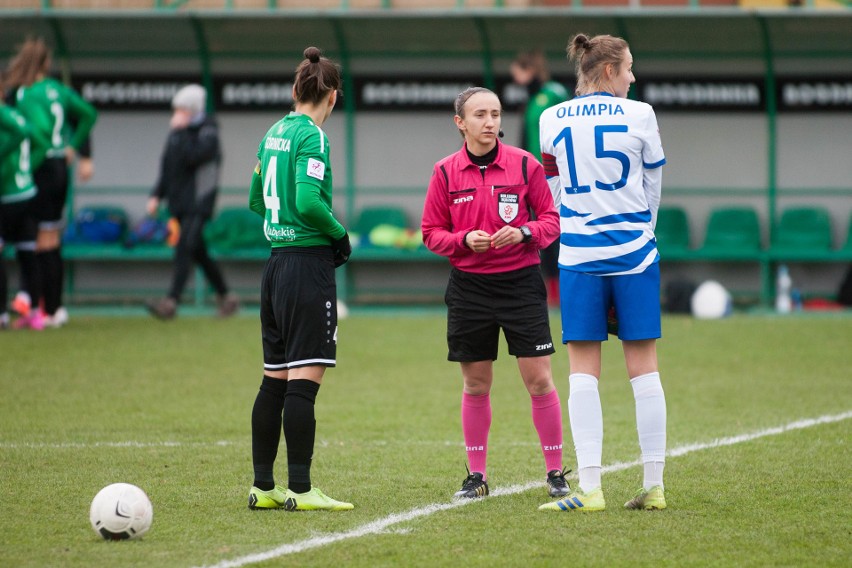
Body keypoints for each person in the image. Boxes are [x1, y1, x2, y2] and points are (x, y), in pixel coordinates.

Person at [537, 33, 668, 512]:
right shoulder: (641, 114)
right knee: (644, 369)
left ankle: (590, 489)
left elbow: (552, 184)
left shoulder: (550, 118)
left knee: (582, 372)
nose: (633, 76)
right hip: (635, 252)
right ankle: (653, 486)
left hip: (578, 256)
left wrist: (575, 222)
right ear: (609, 70)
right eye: (629, 67)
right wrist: (642, 231)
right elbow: (652, 182)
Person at [421, 86, 568, 501]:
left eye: (496, 114)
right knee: (475, 384)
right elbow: (431, 233)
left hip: (520, 283)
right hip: (469, 289)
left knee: (539, 380)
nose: (490, 123)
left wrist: (523, 232)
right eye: (481, 115)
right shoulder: (445, 172)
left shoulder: (525, 165)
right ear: (460, 123)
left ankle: (555, 472)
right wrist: (464, 239)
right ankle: (477, 476)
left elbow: (552, 221)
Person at [246, 46, 353, 512]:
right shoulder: (313, 137)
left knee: (274, 379)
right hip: (306, 268)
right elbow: (310, 201)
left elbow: (256, 199)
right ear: (331, 96)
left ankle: (263, 486)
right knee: (303, 384)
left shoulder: (273, 132)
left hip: (274, 266)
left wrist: (282, 221)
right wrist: (339, 233)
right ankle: (302, 490)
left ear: (295, 90)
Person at [4, 37, 97, 328]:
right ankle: (53, 308)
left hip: (41, 169)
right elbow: (88, 115)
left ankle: (38, 307)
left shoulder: (22, 93)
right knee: (51, 238)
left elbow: (39, 133)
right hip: (60, 168)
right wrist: (74, 148)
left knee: (36, 242)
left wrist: (26, 167)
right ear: (46, 63)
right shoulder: (59, 90)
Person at [145, 84, 238, 320]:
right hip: (179, 203)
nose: (178, 114)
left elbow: (193, 157)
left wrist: (181, 131)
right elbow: (167, 166)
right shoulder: (178, 133)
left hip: (199, 203)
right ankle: (227, 297)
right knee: (198, 251)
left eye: (182, 110)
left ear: (193, 109)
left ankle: (171, 301)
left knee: (184, 246)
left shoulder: (208, 132)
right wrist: (157, 194)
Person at [510, 50, 569, 307]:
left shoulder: (553, 93)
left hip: (554, 175)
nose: (517, 80)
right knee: (538, 232)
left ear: (529, 70)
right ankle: (545, 289)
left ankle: (560, 290)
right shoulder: (532, 99)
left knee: (556, 231)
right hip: (531, 176)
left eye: (518, 74)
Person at [0, 96, 48, 330]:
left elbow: (21, 133)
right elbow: (40, 142)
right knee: (28, 254)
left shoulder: (4, 115)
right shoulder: (17, 115)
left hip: (7, 196)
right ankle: (36, 313)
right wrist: (27, 171)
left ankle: (2, 315)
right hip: (27, 192)